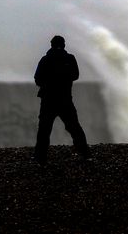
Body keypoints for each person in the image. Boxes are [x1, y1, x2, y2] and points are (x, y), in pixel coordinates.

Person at [32, 35, 90, 164]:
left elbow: (37, 78)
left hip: (48, 100)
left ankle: (40, 157)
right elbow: (75, 75)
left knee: (44, 130)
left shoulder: (45, 60)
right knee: (75, 128)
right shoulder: (69, 58)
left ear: (51, 45)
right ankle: (84, 153)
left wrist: (48, 83)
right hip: (65, 99)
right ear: (63, 45)